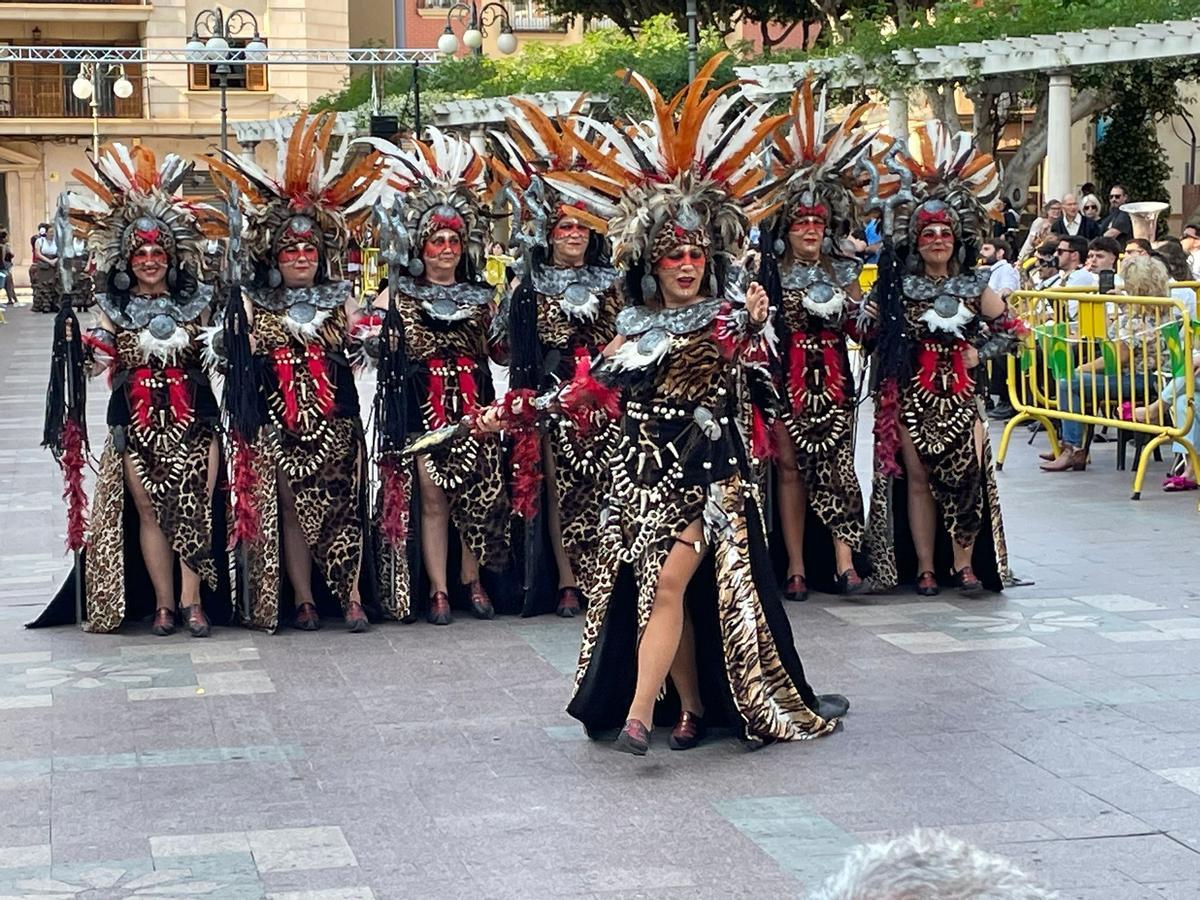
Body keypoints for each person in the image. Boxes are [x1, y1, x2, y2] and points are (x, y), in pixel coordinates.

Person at [534, 56, 847, 753]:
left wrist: (755, 318)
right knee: (659, 593)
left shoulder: (726, 318)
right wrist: (529, 410)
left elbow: (746, 348)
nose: (684, 265)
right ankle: (693, 705)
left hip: (707, 478)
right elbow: (594, 390)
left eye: (696, 255)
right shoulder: (633, 327)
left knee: (672, 584)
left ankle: (641, 715)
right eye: (672, 253)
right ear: (652, 262)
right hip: (639, 477)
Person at [30, 145, 233, 635]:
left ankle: (192, 602)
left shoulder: (199, 304)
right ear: (127, 259)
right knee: (148, 510)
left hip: (196, 419)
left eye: (157, 252)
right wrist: (73, 347)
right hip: (134, 422)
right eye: (140, 253)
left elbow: (220, 353)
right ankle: (163, 604)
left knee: (196, 506)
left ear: (171, 256)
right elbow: (94, 358)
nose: (148, 261)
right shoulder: (111, 311)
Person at [208, 112, 383, 633]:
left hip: (336, 423)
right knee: (288, 509)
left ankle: (351, 597)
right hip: (276, 424)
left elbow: (364, 341)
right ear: (274, 255)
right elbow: (224, 356)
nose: (301, 256)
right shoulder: (250, 301)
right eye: (291, 249)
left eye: (309, 248)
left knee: (343, 508)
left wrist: (373, 335)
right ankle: (304, 599)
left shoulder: (340, 297)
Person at [866, 121, 1021, 597]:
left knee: (967, 480)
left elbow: (1013, 332)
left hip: (962, 398)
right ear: (916, 239)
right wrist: (871, 314)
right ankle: (927, 568)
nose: (938, 239)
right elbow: (870, 334)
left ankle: (964, 565)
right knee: (916, 480)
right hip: (912, 396)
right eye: (928, 232)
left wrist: (982, 352)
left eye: (945, 232)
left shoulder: (977, 285)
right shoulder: (897, 287)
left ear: (959, 236)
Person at [366, 128, 511, 626]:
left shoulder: (482, 295)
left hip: (477, 407)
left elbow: (501, 352)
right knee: (431, 495)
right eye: (436, 240)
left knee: (478, 493)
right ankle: (439, 588)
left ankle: (473, 582)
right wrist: (376, 332)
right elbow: (369, 340)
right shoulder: (398, 294)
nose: (445, 249)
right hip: (422, 407)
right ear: (420, 246)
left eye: (453, 240)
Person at [490, 99, 624, 617]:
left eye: (581, 227)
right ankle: (568, 580)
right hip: (550, 400)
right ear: (548, 232)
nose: (573, 235)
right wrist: (519, 305)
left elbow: (631, 336)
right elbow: (500, 348)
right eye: (564, 226)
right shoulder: (528, 282)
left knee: (607, 485)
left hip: (606, 398)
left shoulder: (612, 283)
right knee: (559, 487)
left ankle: (608, 574)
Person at [752, 80, 879, 601]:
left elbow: (858, 328)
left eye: (817, 221)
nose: (809, 228)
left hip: (833, 381)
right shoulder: (767, 270)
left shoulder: (842, 270)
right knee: (787, 469)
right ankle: (797, 566)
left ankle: (845, 563)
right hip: (785, 381)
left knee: (838, 466)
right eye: (801, 220)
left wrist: (872, 312)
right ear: (786, 223)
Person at [1040, 255, 1164, 472]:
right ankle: (1072, 446)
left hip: (1139, 378)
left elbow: (1116, 358)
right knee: (1073, 380)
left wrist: (1080, 369)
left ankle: (1072, 448)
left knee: (1068, 381)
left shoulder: (1137, 317)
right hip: (1147, 375)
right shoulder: (1155, 308)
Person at [30, 221, 58, 313]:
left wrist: (55, 260)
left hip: (54, 264)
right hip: (44, 265)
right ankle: (44, 305)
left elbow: (61, 252)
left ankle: (54, 304)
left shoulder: (57, 241)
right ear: (45, 232)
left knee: (54, 285)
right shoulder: (39, 241)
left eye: (53, 232)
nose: (52, 234)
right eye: (50, 232)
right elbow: (38, 253)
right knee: (43, 285)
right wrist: (49, 261)